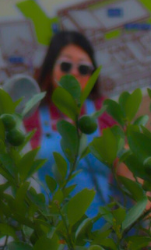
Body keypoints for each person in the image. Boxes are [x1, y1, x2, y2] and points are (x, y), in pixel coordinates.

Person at [27, 30, 115, 207]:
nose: (74, 73)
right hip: (46, 230)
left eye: (83, 68)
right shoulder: (31, 113)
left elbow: (127, 172)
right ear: (50, 67)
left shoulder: (104, 110)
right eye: (66, 65)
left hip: (101, 230)